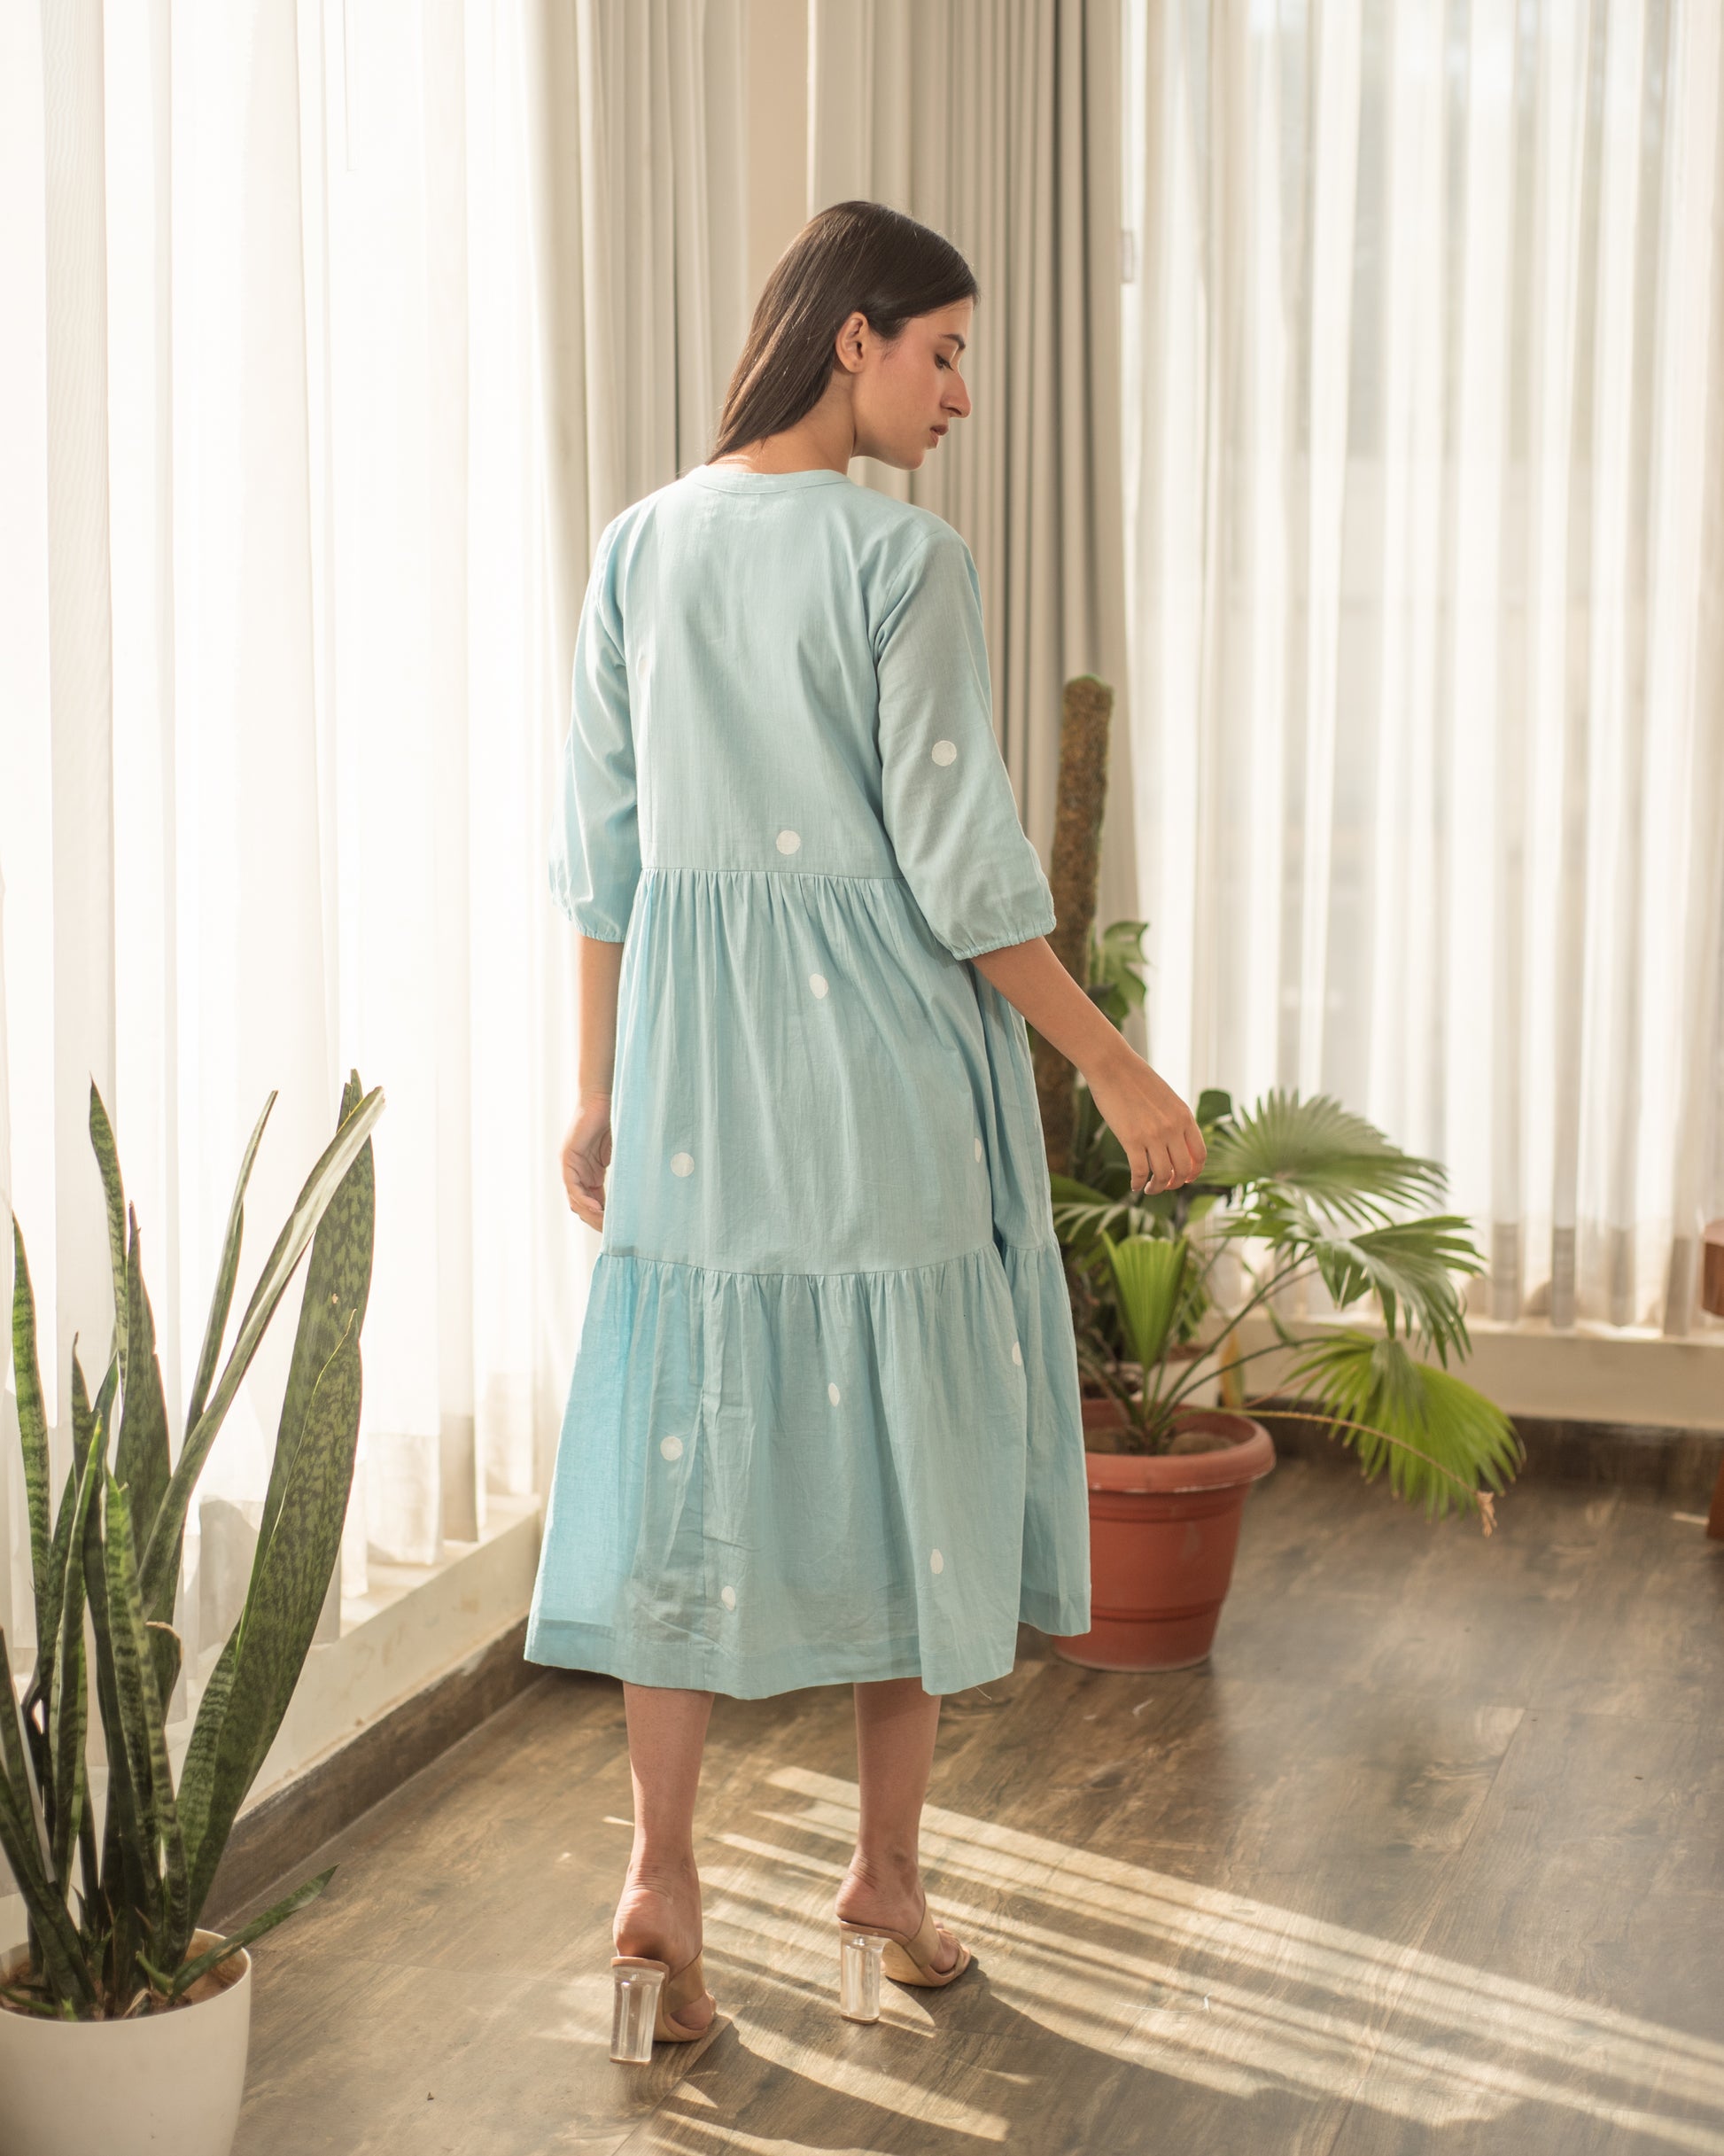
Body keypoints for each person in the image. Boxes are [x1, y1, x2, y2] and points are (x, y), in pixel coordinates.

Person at [524, 200, 1206, 2055]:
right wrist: (1116, 1067)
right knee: (908, 1456)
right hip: (880, 1070)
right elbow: (966, 876)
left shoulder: (639, 542)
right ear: (855, 339)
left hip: (692, 1075)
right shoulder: (903, 561)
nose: (959, 394)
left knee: (683, 1452)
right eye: (945, 350)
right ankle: (884, 1880)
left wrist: (599, 1086)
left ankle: (659, 1881)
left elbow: (600, 854)